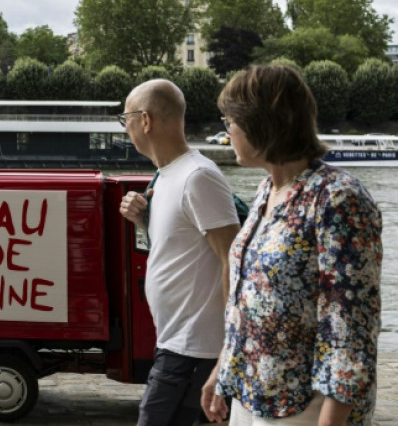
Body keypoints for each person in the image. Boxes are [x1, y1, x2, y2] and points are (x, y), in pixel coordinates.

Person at [202, 64, 382, 425]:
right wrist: (222, 370)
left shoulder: (337, 198)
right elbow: (246, 300)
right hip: (249, 391)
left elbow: (350, 328)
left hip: (303, 405)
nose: (228, 132)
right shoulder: (268, 190)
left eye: (230, 122)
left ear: (260, 122)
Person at [118, 79, 241, 426]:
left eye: (124, 118)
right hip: (176, 344)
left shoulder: (198, 176)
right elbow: (184, 248)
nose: (124, 127)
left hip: (195, 354)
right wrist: (144, 221)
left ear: (145, 120)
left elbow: (234, 259)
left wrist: (227, 354)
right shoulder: (166, 175)